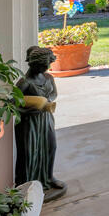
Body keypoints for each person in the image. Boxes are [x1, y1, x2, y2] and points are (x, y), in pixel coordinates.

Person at [14, 46, 67, 201]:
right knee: (30, 153)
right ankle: (25, 186)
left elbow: (53, 93)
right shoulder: (25, 82)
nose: (47, 68)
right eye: (44, 65)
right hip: (29, 123)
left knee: (51, 147)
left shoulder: (48, 78)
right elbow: (14, 103)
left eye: (48, 65)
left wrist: (46, 101)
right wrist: (32, 107)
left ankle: (48, 178)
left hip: (46, 119)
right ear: (34, 64)